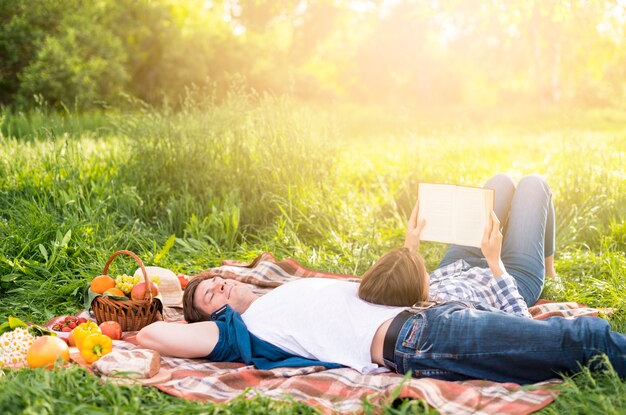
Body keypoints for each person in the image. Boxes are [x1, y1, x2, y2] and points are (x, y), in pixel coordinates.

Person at [137, 175, 626, 384]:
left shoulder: (286, 288)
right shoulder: (236, 332)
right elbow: (152, 333)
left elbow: (376, 293)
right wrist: (182, 306)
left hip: (427, 298)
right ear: (213, 312)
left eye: (218, 278)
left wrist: (409, 249)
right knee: (579, 339)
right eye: (209, 293)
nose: (219, 284)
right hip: (421, 335)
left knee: (494, 186)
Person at [359, 174, 556, 317]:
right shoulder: (453, 312)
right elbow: (521, 321)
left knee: (500, 183)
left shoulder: (404, 292)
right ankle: (550, 271)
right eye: (417, 269)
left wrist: (410, 247)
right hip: (511, 275)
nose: (421, 266)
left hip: (458, 265)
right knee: (534, 185)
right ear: (417, 287)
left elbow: (393, 286)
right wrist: (494, 261)